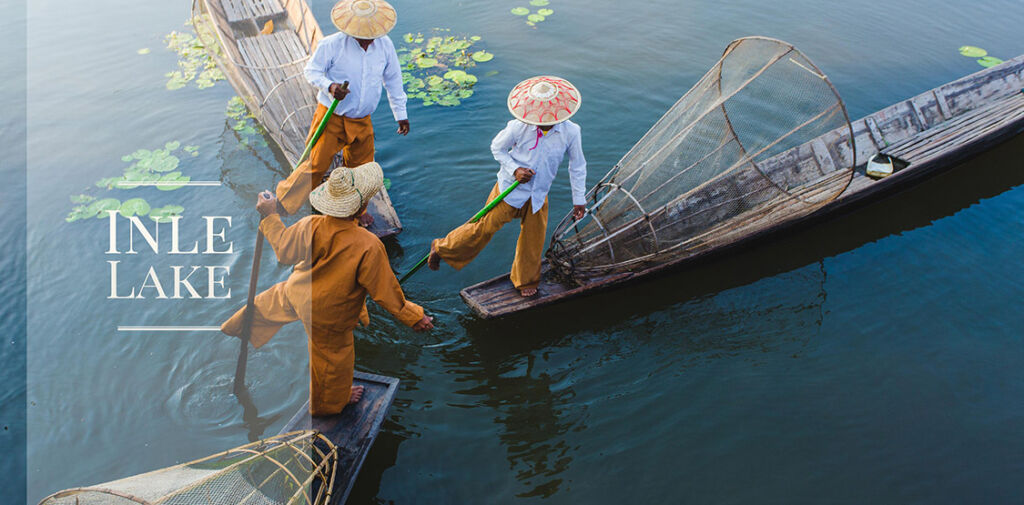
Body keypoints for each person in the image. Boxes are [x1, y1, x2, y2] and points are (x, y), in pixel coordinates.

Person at [222, 162, 434, 416]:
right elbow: (386, 293)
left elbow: (283, 250)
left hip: (296, 293)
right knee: (333, 361)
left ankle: (238, 327)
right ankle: (329, 403)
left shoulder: (310, 224)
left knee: (268, 304)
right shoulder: (368, 245)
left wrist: (269, 215)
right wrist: (413, 316)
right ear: (361, 207)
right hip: (328, 315)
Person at [428, 76, 588, 297]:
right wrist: (515, 170)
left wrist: (579, 199)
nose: (541, 121)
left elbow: (577, 165)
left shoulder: (571, 131)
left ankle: (524, 280)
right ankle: (442, 248)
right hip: (509, 190)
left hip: (538, 194)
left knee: (533, 240)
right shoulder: (518, 126)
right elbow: (497, 148)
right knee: (483, 228)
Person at [275, 0, 409, 221]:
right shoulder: (332, 45)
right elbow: (312, 71)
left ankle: (356, 211)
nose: (367, 37)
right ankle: (283, 203)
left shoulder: (385, 46)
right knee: (316, 165)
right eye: (362, 33)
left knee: (362, 169)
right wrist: (330, 86)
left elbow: (393, 81)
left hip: (362, 119)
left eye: (371, 32)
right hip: (332, 117)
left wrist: (401, 115)